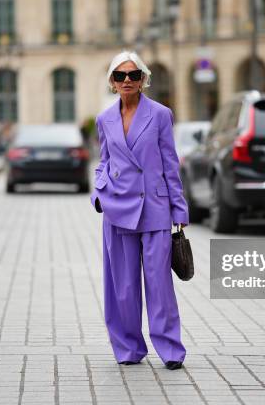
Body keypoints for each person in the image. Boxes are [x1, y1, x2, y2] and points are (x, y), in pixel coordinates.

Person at [89, 50, 189, 370]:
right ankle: (129, 347)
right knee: (124, 286)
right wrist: (98, 194)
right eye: (120, 76)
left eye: (133, 75)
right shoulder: (104, 120)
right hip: (117, 208)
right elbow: (104, 162)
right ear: (112, 83)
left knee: (159, 285)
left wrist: (179, 210)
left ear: (144, 79)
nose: (127, 80)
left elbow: (170, 165)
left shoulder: (160, 115)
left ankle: (170, 349)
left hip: (155, 208)